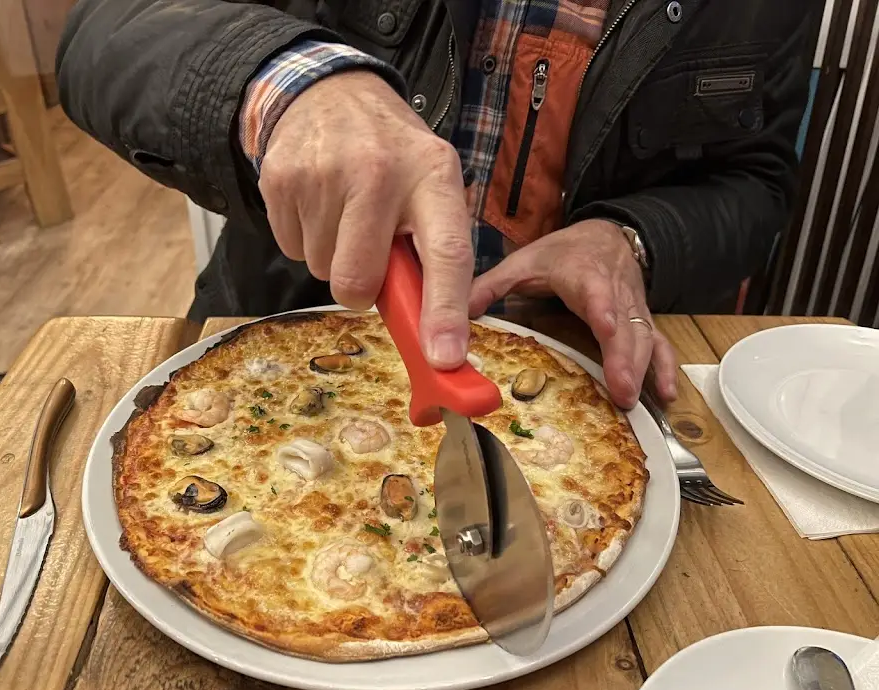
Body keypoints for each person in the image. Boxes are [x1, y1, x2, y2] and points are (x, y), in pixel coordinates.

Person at [56, 0, 820, 408]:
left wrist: (630, 238)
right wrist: (285, 82)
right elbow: (101, 27)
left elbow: (757, 182)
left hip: (575, 381)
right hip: (277, 338)